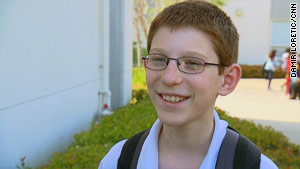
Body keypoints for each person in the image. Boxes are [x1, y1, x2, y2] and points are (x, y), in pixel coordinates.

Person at [99, 1, 278, 169]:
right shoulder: (118, 160)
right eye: (159, 59)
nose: (169, 78)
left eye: (192, 63)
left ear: (227, 79)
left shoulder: (255, 166)